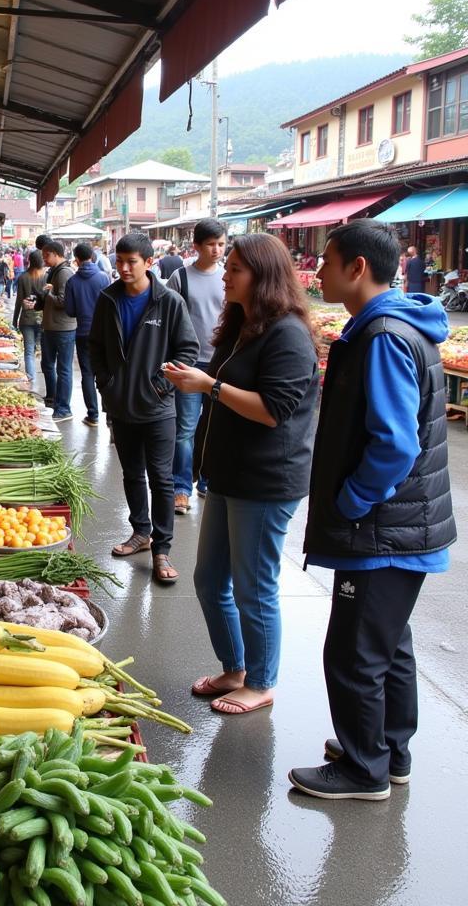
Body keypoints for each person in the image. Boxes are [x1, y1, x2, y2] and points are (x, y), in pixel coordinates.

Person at [289, 221, 454, 801]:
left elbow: (394, 444)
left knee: (355, 651)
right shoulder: (390, 327)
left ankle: (364, 770)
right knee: (389, 645)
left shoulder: (383, 336)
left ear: (357, 268)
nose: (317, 272)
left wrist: (352, 501)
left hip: (384, 528)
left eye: (326, 261)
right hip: (403, 527)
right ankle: (388, 750)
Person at [164, 232, 318, 710]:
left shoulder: (287, 333)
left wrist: (208, 386)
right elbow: (224, 380)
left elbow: (273, 410)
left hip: (266, 480)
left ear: (263, 276)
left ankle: (262, 681)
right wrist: (195, 376)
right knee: (210, 580)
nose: (224, 274)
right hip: (229, 474)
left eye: (234, 269)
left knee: (254, 586)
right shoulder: (242, 323)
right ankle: (236, 669)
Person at [90, 231, 198, 582]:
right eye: (119, 261)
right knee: (132, 474)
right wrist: (106, 382)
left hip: (158, 409)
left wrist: (161, 384)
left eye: (131, 262)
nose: (123, 268)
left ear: (148, 263)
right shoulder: (108, 299)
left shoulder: (168, 302)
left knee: (162, 479)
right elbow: (96, 347)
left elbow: (187, 350)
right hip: (121, 406)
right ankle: (140, 532)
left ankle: (162, 549)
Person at [166, 219, 227, 513]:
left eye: (221, 244)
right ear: (197, 247)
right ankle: (181, 487)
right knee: (185, 428)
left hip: (221, 364)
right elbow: (169, 320)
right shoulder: (180, 277)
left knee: (215, 427)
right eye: (211, 244)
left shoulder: (229, 276)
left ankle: (206, 479)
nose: (216, 250)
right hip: (189, 364)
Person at [64, 243, 110, 428]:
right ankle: (111, 418)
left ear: (76, 258)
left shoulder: (72, 282)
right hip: (104, 333)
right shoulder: (103, 278)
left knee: (88, 374)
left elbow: (70, 311)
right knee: (106, 373)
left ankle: (93, 415)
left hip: (83, 333)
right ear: (92, 256)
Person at [37, 242, 77, 422]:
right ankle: (52, 399)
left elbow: (63, 302)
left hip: (63, 329)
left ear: (54, 254)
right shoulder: (55, 271)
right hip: (51, 327)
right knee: (47, 365)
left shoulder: (64, 273)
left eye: (46, 256)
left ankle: (64, 408)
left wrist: (48, 295)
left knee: (64, 369)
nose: (44, 259)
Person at [12, 251, 47, 384]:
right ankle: (47, 376)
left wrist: (15, 320)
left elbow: (19, 300)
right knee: (43, 349)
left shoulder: (23, 277)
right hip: (43, 319)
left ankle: (31, 377)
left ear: (29, 260)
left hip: (26, 319)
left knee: (29, 350)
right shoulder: (46, 277)